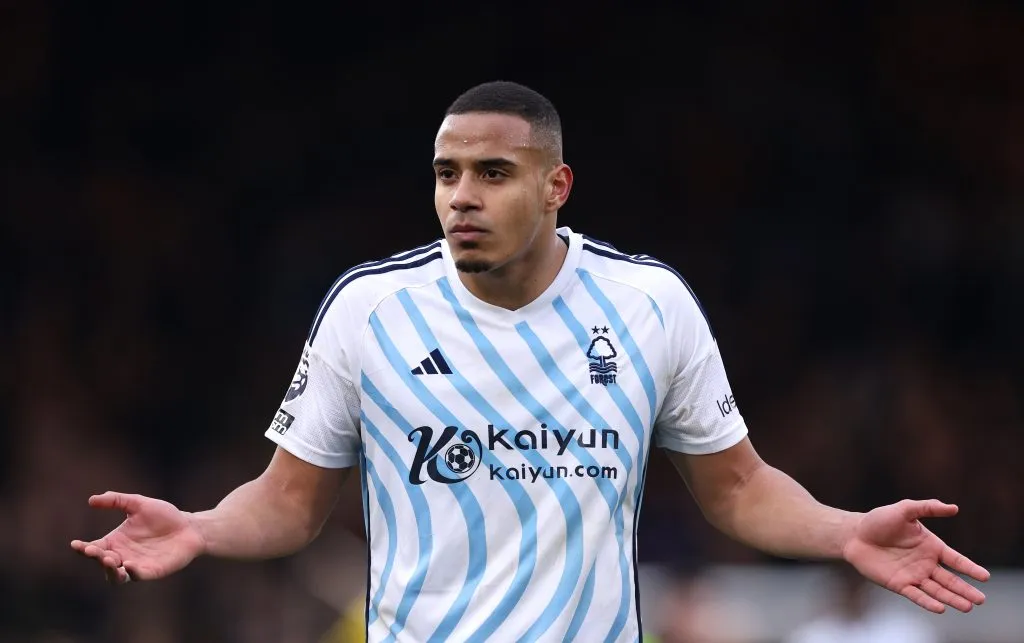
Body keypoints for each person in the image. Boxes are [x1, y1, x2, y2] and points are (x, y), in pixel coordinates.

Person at [71, 81, 989, 642]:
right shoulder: (368, 309)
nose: (461, 197)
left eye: (493, 174)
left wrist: (842, 530)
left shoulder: (648, 305)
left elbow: (739, 487)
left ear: (557, 187)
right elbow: (287, 502)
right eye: (445, 173)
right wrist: (200, 527)